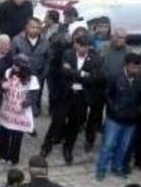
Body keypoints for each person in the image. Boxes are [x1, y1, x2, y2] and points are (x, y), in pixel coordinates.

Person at [41, 35, 102, 165]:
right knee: (57, 121)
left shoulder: (95, 60)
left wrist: (75, 73)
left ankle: (68, 148)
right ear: (76, 44)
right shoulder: (67, 55)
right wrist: (82, 74)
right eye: (81, 46)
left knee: (75, 124)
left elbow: (93, 78)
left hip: (81, 97)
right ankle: (46, 146)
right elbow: (63, 72)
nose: (83, 49)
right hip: (65, 95)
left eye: (86, 46)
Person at [95, 53, 141, 180]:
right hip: (114, 118)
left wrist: (138, 111)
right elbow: (108, 95)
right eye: (133, 67)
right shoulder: (115, 77)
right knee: (108, 145)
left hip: (131, 120)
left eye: (138, 67)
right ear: (127, 65)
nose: (136, 70)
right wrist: (115, 109)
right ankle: (101, 169)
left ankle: (117, 167)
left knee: (123, 147)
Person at [0, 55, 40, 166]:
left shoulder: (32, 79)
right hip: (7, 108)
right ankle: (1, 154)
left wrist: (23, 104)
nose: (14, 68)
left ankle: (13, 158)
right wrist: (3, 85)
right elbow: (2, 83)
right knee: (4, 132)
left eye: (17, 66)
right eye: (14, 65)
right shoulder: (8, 72)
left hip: (20, 111)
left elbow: (33, 96)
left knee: (17, 135)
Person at [11, 18, 49, 116]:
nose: (35, 30)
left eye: (38, 27)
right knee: (21, 95)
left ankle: (34, 113)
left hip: (38, 74)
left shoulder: (45, 41)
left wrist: (43, 73)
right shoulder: (17, 40)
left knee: (36, 94)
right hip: (21, 75)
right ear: (26, 27)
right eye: (32, 27)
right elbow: (12, 57)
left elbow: (48, 59)